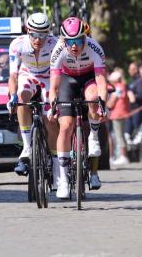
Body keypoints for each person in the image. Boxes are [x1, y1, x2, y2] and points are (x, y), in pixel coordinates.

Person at [47, 17, 108, 198]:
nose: (74, 46)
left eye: (78, 41)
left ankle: (94, 137)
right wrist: (52, 105)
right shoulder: (58, 51)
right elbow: (54, 86)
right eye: (70, 42)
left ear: (85, 38)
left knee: (92, 98)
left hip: (89, 78)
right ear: (63, 41)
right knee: (65, 126)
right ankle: (64, 180)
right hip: (67, 80)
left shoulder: (95, 47)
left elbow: (101, 79)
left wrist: (102, 103)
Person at [7, 12, 59, 179]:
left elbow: (60, 73)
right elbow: (13, 75)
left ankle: (55, 160)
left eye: (43, 35)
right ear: (27, 31)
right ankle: (27, 146)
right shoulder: (17, 44)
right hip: (27, 75)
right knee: (22, 99)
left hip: (49, 77)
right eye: (34, 35)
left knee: (49, 117)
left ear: (48, 33)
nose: (38, 40)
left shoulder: (55, 44)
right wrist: (12, 96)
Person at [107, 69, 130, 165]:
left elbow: (111, 103)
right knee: (120, 135)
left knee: (119, 135)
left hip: (118, 114)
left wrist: (105, 103)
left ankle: (123, 156)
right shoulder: (122, 86)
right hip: (121, 113)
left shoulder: (118, 87)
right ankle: (122, 156)